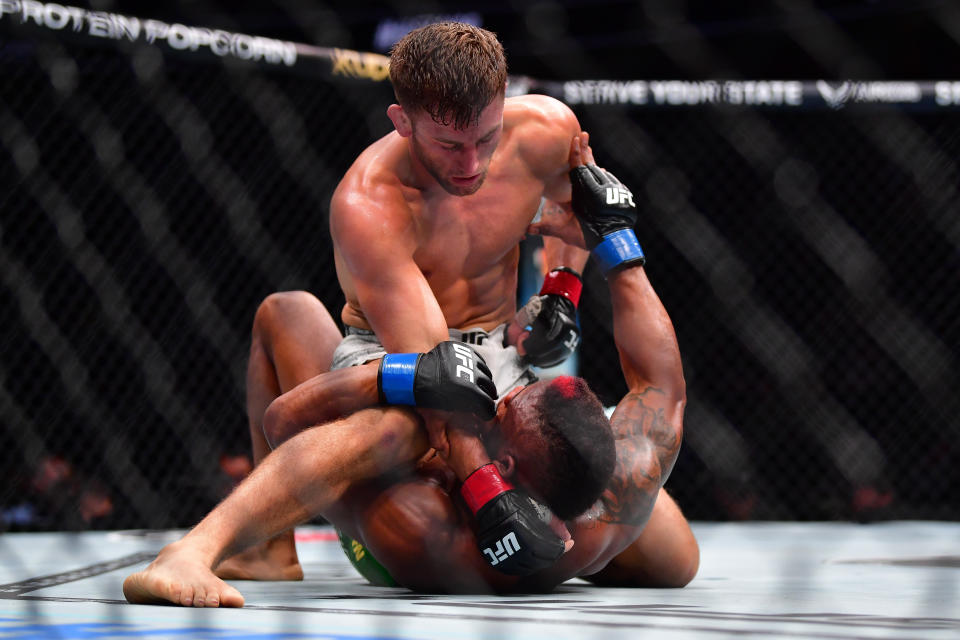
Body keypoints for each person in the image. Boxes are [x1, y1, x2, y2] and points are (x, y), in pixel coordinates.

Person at [122, 135, 698, 606]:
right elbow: (662, 388)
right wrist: (615, 243)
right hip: (560, 507)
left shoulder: (424, 524)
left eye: (506, 405)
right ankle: (268, 553)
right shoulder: (620, 494)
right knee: (678, 560)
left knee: (293, 318)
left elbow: (286, 423)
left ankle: (220, 547)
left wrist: (395, 376)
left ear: (504, 463)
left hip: (394, 542)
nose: (502, 394)